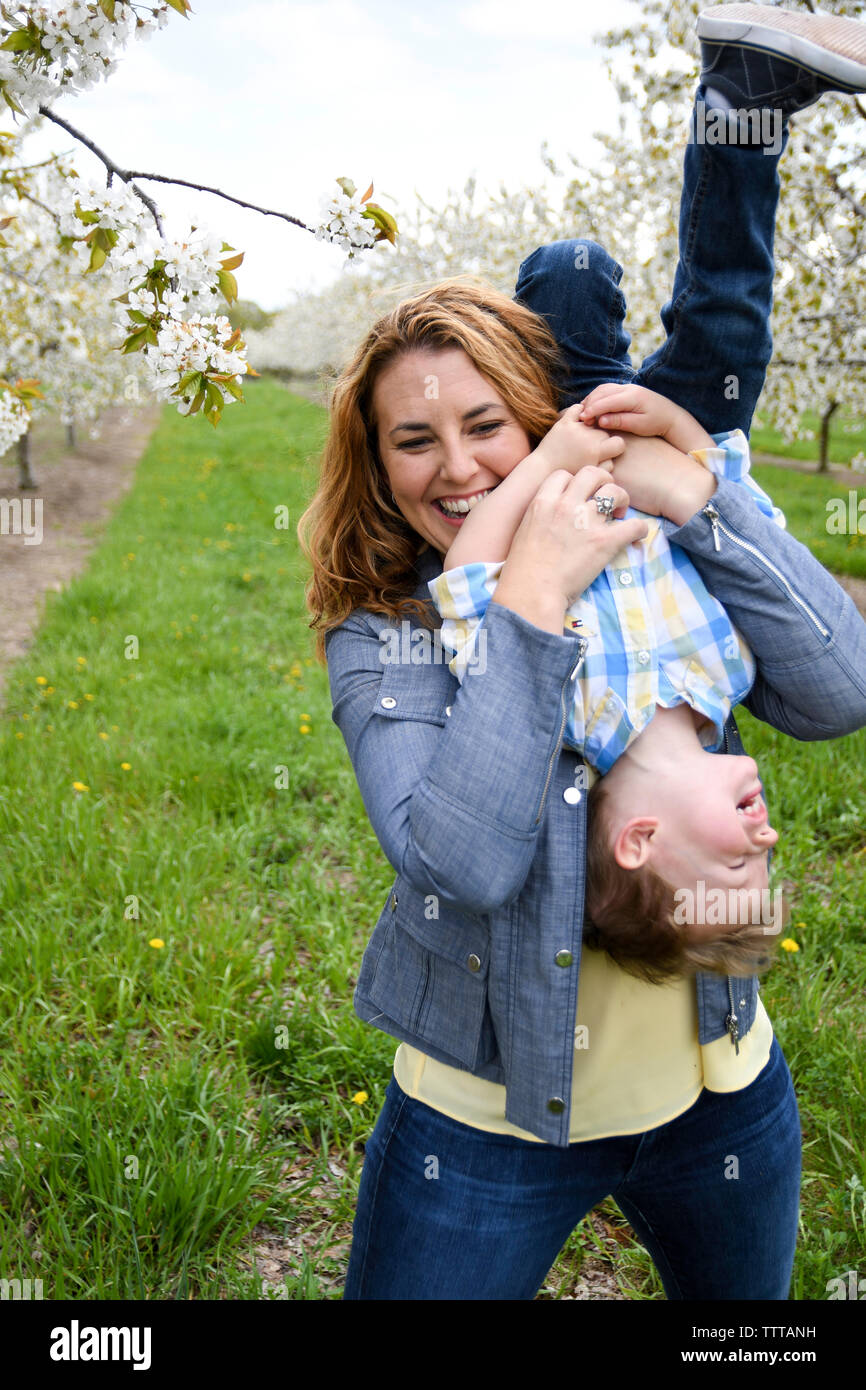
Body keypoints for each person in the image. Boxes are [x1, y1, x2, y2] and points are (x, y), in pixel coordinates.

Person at [299, 5, 866, 1299]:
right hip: (489, 1121)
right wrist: (530, 598)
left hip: (721, 1081)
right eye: (412, 439)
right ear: (371, 461)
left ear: (535, 414)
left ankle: (740, 102)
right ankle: (731, 110)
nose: (456, 466)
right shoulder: (389, 631)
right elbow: (462, 852)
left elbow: (837, 695)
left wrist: (698, 493)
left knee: (690, 335)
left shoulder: (633, 510)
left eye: (486, 421)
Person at [426, 380, 785, 981]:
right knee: (730, 314)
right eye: (767, 862)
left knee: (573, 293)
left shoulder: (559, 707)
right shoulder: (733, 673)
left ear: (639, 841)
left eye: (738, 866)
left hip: (563, 421)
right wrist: (674, 424)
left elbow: (467, 578)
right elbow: (747, 519)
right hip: (651, 420)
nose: (768, 837)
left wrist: (548, 462)